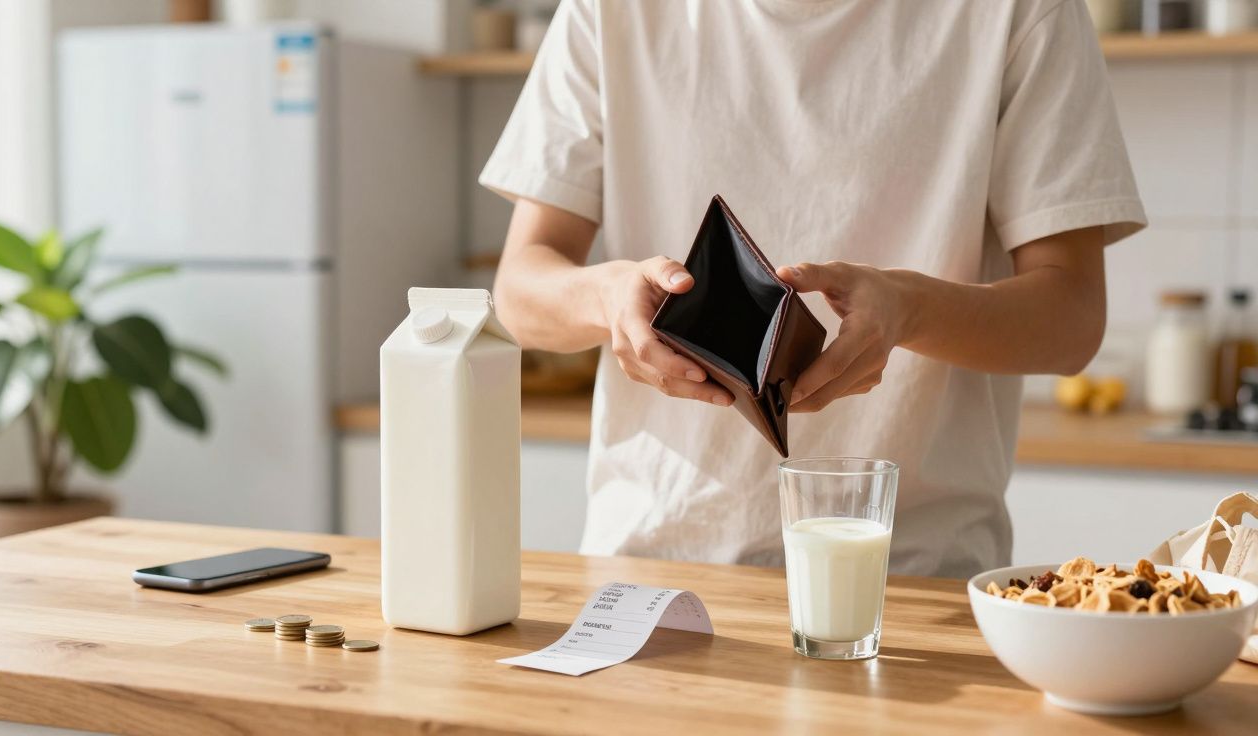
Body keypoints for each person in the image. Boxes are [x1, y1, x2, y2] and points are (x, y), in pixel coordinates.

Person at [480, 0, 1145, 577]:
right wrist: (606, 299)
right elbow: (521, 286)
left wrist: (910, 310)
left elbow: (1072, 316)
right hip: (652, 568)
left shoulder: (1021, 13)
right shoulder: (609, 11)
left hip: (911, 577)